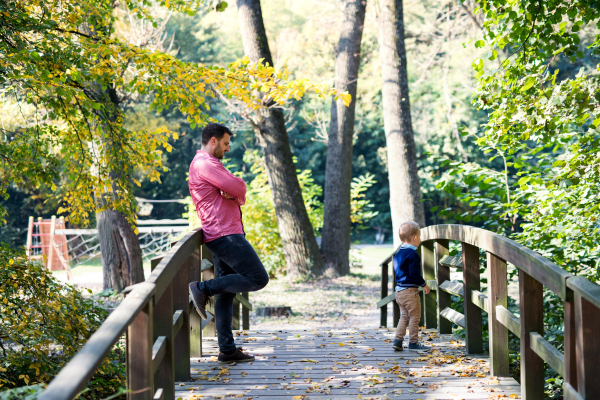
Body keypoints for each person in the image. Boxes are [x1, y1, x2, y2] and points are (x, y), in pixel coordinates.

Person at [188, 123, 269, 364]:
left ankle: (227, 350)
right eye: (224, 143)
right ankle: (202, 288)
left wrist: (235, 192)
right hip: (225, 235)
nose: (227, 148)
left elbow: (236, 192)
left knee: (226, 294)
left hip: (221, 233)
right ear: (213, 141)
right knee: (258, 279)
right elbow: (238, 187)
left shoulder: (206, 164)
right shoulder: (205, 163)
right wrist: (236, 190)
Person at [391, 221, 431, 351]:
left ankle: (398, 340)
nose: (419, 239)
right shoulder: (413, 254)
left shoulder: (398, 253)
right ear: (415, 238)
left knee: (404, 316)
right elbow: (414, 274)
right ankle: (413, 343)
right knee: (414, 317)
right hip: (410, 292)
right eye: (419, 236)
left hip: (399, 291)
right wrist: (424, 285)